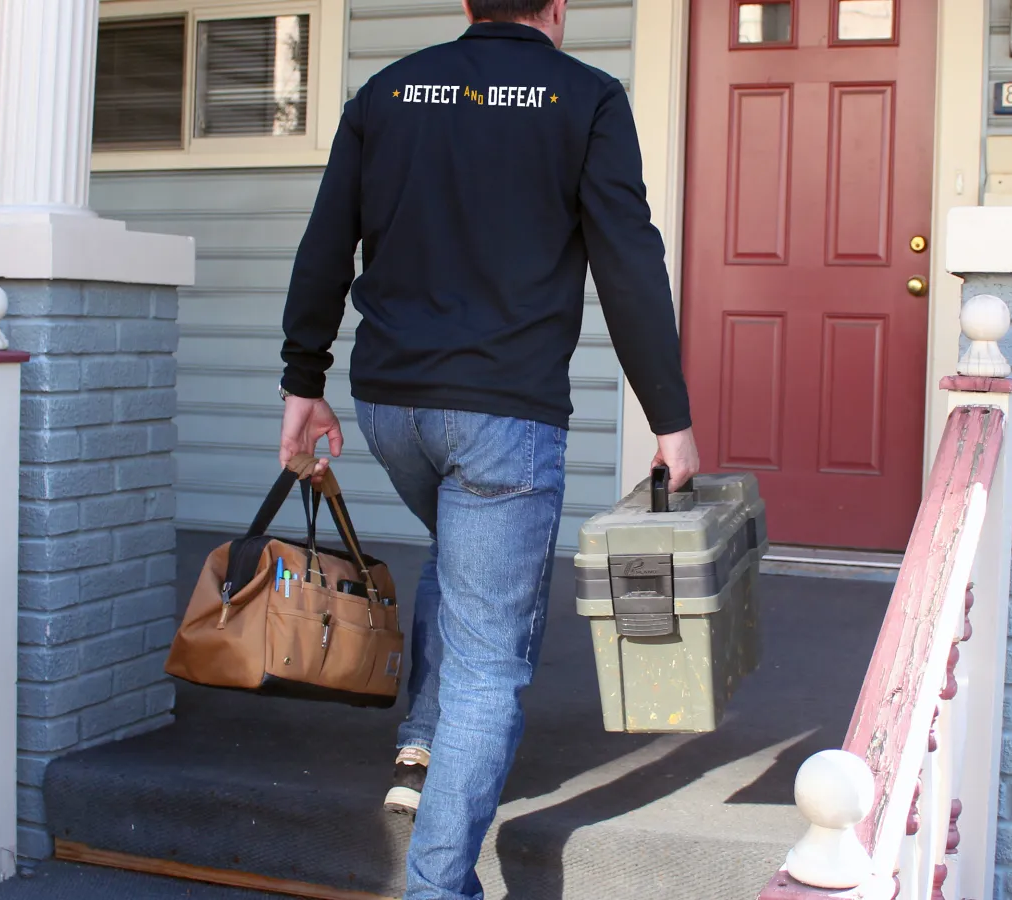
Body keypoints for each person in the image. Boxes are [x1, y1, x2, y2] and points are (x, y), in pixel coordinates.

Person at [276, 0, 697, 895]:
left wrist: (301, 383)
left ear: (468, 5)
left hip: (391, 409)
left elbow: (325, 247)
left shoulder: (386, 91)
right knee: (490, 661)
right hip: (503, 420)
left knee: (465, 564)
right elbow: (628, 260)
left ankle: (420, 736)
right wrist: (669, 418)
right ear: (559, 9)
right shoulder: (585, 98)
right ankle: (438, 885)